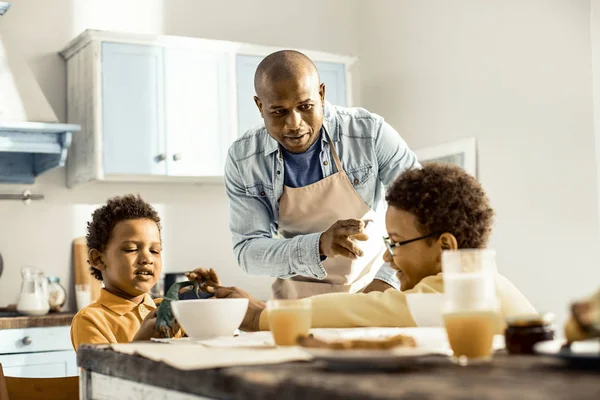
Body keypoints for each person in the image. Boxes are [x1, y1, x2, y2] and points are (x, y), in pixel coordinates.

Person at [197, 163, 537, 331]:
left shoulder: (461, 293)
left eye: (398, 243)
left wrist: (259, 315)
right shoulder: (491, 281)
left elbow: (371, 310)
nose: (388, 256)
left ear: (445, 246)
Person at [225, 50, 420, 299]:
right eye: (278, 112)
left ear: (322, 94)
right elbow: (247, 251)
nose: (294, 124)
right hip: (297, 303)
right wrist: (319, 245)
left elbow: (423, 214)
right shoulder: (244, 159)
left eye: (305, 107)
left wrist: (387, 281)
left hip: (373, 290)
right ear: (259, 106)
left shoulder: (369, 133)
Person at [70, 195, 176, 351]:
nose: (147, 258)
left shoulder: (167, 310)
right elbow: (104, 373)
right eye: (131, 249)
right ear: (98, 259)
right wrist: (141, 344)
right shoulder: (90, 320)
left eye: (155, 250)